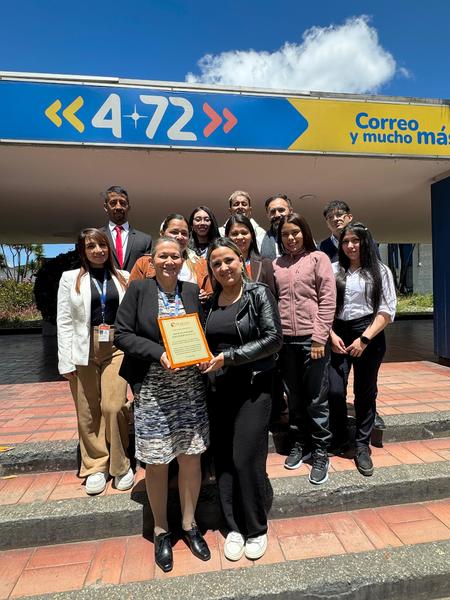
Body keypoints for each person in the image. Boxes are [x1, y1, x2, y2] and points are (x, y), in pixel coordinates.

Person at [114, 237, 210, 573]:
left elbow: (202, 332)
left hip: (190, 390)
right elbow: (122, 334)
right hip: (154, 390)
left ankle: (189, 524)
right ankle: (160, 530)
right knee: (156, 462)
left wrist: (204, 355)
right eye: (163, 256)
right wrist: (159, 353)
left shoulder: (190, 291)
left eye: (175, 256)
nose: (170, 261)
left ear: (183, 259)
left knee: (190, 458)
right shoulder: (139, 289)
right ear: (152, 260)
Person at [202, 238, 282, 562]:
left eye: (228, 260)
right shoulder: (210, 303)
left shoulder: (258, 293)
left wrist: (229, 357)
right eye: (216, 264)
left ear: (240, 260)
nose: (223, 268)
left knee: (245, 458)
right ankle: (234, 527)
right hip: (218, 390)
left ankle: (256, 528)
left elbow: (273, 339)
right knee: (223, 459)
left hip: (253, 388)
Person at [56, 228, 133, 495]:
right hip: (83, 347)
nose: (98, 251)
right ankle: (96, 465)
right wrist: (65, 361)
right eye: (91, 246)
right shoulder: (69, 278)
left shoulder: (123, 276)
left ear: (108, 248)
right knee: (88, 410)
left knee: (114, 406)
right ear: (83, 251)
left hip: (116, 346)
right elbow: (64, 320)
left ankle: (120, 464)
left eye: (102, 245)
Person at [328, 222, 396, 476]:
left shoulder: (380, 271)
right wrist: (331, 334)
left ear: (365, 242)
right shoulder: (333, 269)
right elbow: (323, 305)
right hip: (338, 333)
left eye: (355, 240)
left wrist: (364, 339)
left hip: (369, 333)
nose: (350, 246)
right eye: (346, 241)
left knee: (365, 392)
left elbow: (387, 309)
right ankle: (339, 437)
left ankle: (361, 445)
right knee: (334, 389)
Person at [273, 214, 336, 484]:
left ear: (305, 233)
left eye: (295, 232)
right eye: (285, 234)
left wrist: (320, 338)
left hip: (313, 340)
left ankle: (321, 450)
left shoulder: (318, 259)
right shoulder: (276, 264)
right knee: (294, 397)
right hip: (286, 342)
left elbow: (328, 299)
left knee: (316, 399)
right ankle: (301, 442)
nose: (291, 238)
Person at [319, 200, 385, 431]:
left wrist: (367, 334)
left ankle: (369, 421)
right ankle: (338, 431)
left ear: (349, 217)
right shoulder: (324, 248)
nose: (335, 219)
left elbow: (378, 285)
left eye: (340, 215)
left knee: (365, 384)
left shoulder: (368, 244)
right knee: (335, 386)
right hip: (337, 324)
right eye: (330, 217)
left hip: (365, 325)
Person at [129, 213, 213, 302]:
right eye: (174, 232)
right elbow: (132, 298)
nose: (180, 237)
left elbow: (210, 295)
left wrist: (205, 297)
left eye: (184, 233)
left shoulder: (201, 264)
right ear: (162, 234)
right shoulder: (144, 263)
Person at [100, 185, 152, 271]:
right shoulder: (97, 236)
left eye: (122, 203)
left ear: (128, 207)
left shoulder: (145, 240)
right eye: (113, 203)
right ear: (106, 207)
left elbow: (147, 270)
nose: (118, 207)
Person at [225, 214, 276, 297]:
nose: (240, 237)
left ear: (252, 236)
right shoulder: (221, 266)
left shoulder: (265, 264)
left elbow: (271, 297)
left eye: (244, 233)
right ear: (227, 237)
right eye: (234, 234)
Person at [260, 194, 293, 260]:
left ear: (291, 211)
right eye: (272, 211)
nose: (277, 215)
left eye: (281, 210)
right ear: (268, 215)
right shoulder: (260, 240)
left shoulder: (303, 237)